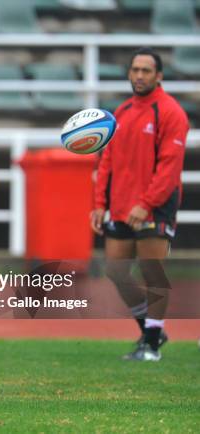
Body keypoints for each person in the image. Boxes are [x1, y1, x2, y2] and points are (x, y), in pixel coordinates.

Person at [91, 47, 188, 361]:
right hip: (120, 203)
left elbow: (170, 166)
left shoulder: (171, 112)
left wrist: (146, 203)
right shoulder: (121, 112)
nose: (140, 76)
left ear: (159, 76)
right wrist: (99, 203)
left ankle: (151, 345)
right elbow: (106, 160)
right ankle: (152, 331)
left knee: (152, 272)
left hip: (155, 205)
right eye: (135, 70)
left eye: (146, 71)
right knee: (116, 271)